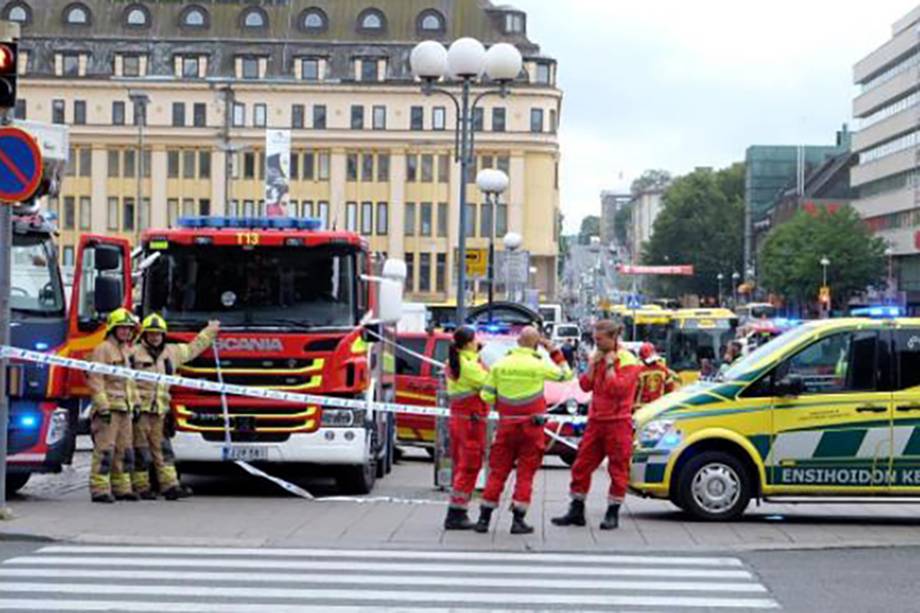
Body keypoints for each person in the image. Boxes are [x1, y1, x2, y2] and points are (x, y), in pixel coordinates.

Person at [474, 327, 573, 535]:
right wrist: (555, 352)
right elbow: (566, 375)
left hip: (506, 426)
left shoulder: (500, 365)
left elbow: (486, 396)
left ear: (517, 342)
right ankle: (518, 520)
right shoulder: (539, 364)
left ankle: (484, 519)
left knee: (498, 472)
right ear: (536, 344)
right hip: (532, 427)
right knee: (525, 474)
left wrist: (505, 402)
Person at [552, 320, 642, 530]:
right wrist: (593, 365)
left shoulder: (628, 360)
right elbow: (584, 386)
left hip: (618, 422)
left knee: (618, 469)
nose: (596, 343)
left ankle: (612, 513)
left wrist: (610, 366)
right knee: (581, 465)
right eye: (595, 339)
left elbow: (617, 389)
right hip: (596, 421)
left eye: (599, 339)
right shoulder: (598, 356)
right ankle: (576, 509)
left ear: (612, 338)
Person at [130, 314, 220, 500]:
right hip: (141, 411)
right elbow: (126, 381)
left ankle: (170, 486)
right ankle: (142, 487)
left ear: (164, 335)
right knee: (141, 450)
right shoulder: (133, 353)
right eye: (151, 334)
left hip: (160, 411)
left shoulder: (172, 352)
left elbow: (194, 347)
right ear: (144, 335)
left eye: (158, 334)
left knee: (163, 450)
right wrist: (133, 405)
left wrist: (210, 331)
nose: (155, 337)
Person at [87, 308, 139, 503]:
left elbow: (130, 382)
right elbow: (96, 379)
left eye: (129, 329)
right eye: (122, 328)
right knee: (105, 450)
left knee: (124, 450)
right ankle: (99, 489)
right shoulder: (103, 349)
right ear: (113, 329)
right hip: (109, 409)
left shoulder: (127, 350)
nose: (126, 332)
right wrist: (103, 407)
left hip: (125, 408)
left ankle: (122, 488)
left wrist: (136, 404)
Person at [442, 326, 490, 530]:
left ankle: (458, 510)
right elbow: (489, 383)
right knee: (470, 464)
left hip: (462, 419)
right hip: (471, 420)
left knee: (463, 463)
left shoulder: (457, 361)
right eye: (475, 339)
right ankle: (456, 513)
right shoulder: (468, 366)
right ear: (469, 342)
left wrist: (477, 356)